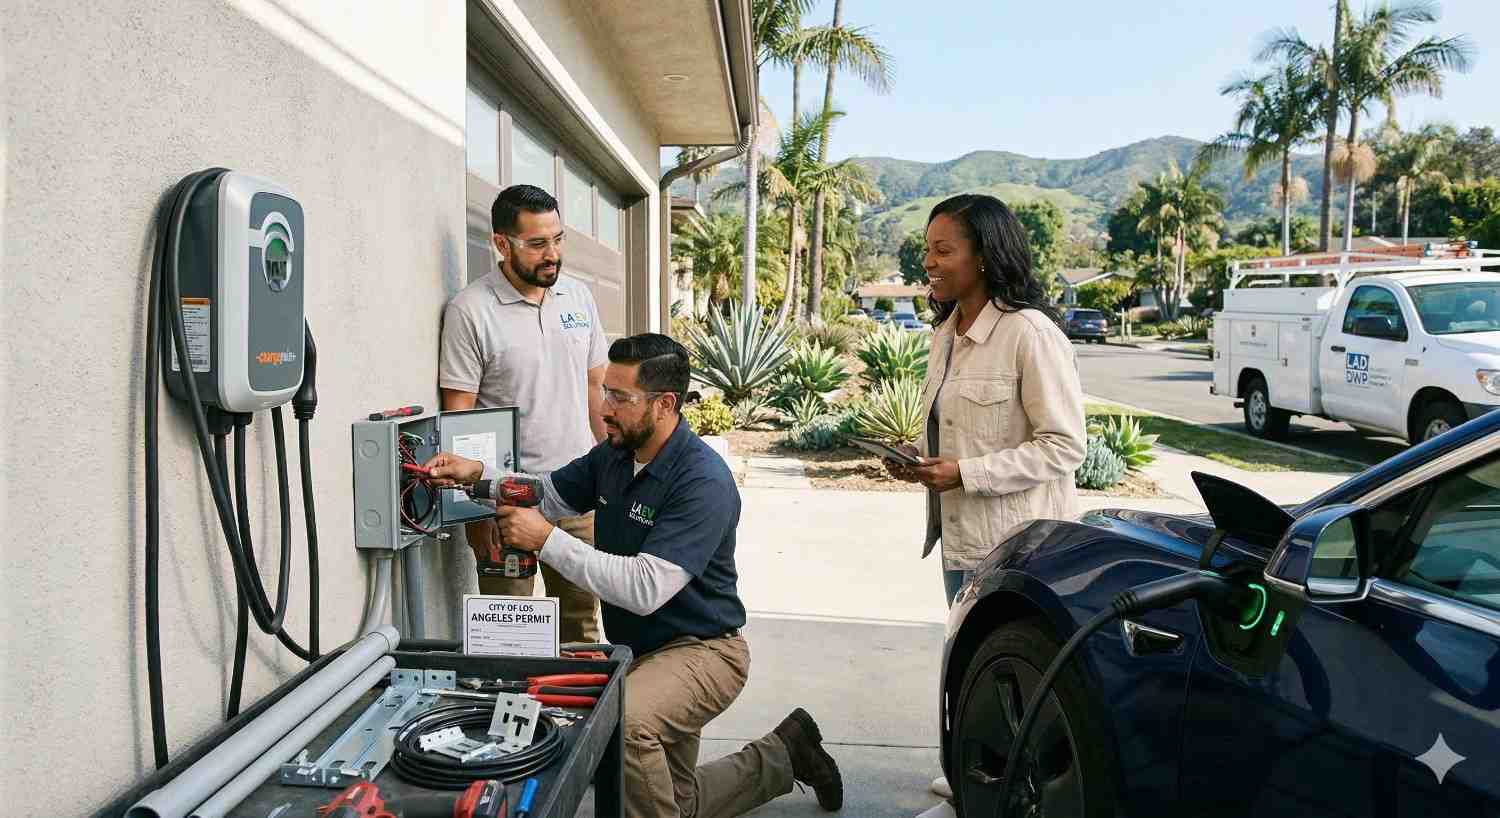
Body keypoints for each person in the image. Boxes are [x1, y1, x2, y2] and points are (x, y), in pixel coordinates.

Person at [425, 333, 843, 818]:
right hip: (643, 654)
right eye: (607, 391)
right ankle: (789, 752)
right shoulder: (616, 454)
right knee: (675, 803)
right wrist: (478, 476)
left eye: (620, 398)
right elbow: (549, 494)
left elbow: (645, 588)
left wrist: (546, 540)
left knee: (625, 723)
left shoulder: (702, 480)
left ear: (664, 404)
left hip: (704, 652)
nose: (605, 408)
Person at [885, 193, 1086, 801]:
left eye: (943, 250)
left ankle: (1027, 793)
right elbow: (959, 431)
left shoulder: (1031, 334)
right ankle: (976, 776)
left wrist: (966, 473)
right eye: (927, 249)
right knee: (974, 666)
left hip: (1022, 548)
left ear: (985, 255)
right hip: (962, 541)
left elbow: (1064, 446)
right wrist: (920, 462)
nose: (929, 262)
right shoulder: (945, 335)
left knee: (1022, 675)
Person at [439, 184, 606, 643]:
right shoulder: (471, 311)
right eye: (537, 243)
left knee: (580, 631)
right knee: (509, 637)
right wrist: (476, 514)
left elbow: (595, 388)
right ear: (501, 243)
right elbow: (459, 417)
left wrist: (613, 474)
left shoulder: (578, 297)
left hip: (576, 494)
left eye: (557, 239)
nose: (552, 254)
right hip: (505, 501)